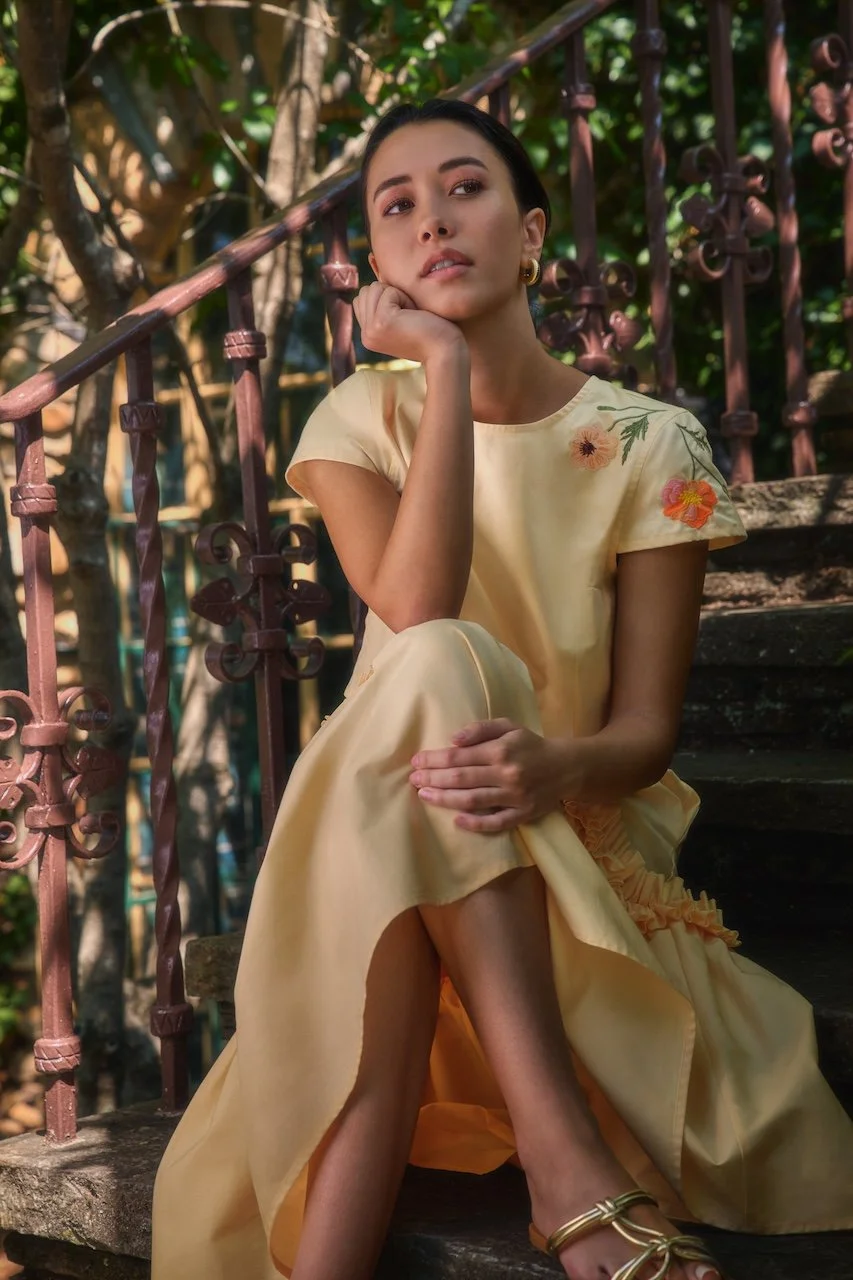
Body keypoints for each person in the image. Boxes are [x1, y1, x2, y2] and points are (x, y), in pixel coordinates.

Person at [152, 99, 853, 1280]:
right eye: (397, 206)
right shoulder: (354, 419)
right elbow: (419, 607)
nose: (433, 221)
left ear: (531, 235)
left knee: (431, 814)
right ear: (376, 267)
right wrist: (438, 362)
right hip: (388, 811)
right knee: (434, 663)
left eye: (464, 188)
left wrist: (554, 763)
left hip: (560, 831)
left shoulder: (656, 446)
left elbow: (643, 731)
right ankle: (565, 1157)